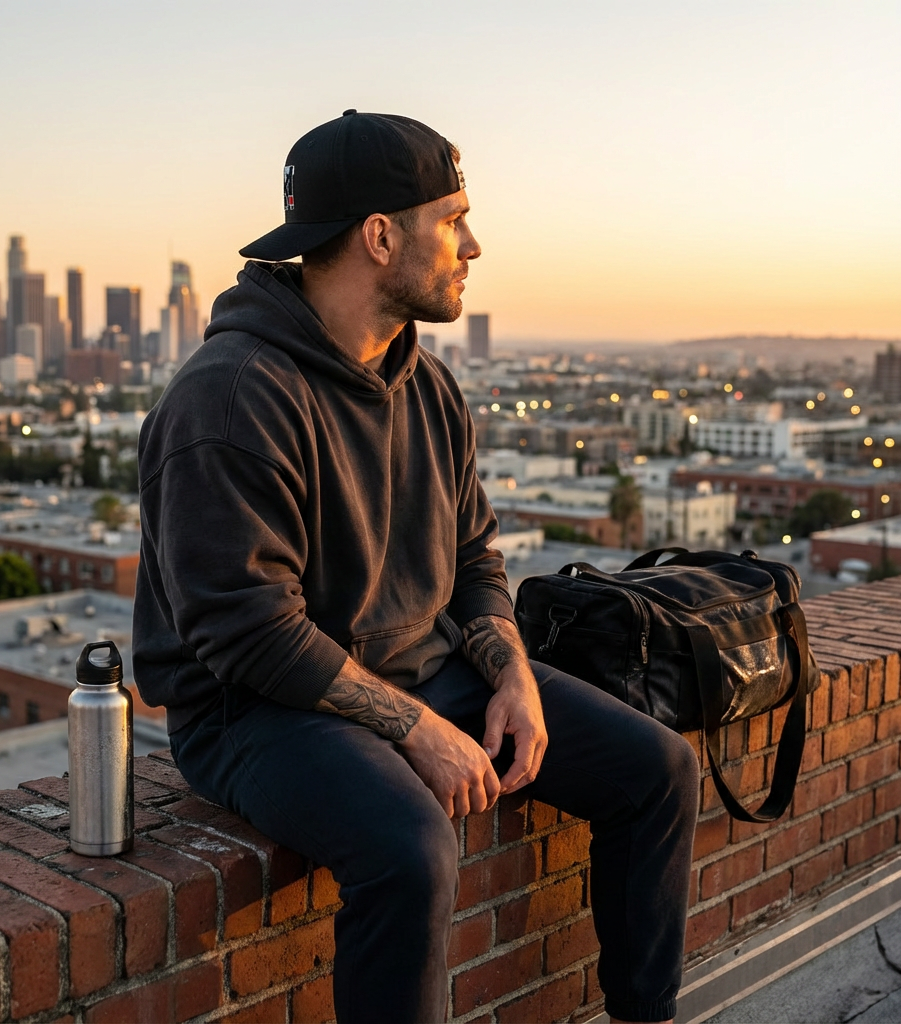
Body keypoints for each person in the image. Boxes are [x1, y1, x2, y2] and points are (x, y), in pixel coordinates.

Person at [133, 110, 699, 1024]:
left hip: (425, 670)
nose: (473, 245)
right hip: (257, 710)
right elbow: (244, 628)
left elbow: (474, 555)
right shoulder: (232, 396)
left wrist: (510, 671)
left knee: (658, 767)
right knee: (410, 847)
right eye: (453, 219)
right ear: (380, 235)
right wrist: (416, 730)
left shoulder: (426, 383)